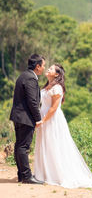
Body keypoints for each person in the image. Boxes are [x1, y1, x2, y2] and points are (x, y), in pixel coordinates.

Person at [34, 64, 92, 188]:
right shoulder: (46, 86)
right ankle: (44, 173)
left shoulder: (57, 88)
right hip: (44, 117)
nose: (48, 69)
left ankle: (56, 175)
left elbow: (53, 108)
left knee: (54, 145)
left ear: (57, 74)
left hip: (52, 119)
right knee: (44, 144)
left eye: (51, 69)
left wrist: (43, 120)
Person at [9, 54, 46, 184]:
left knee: (19, 145)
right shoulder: (31, 78)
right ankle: (26, 176)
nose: (44, 68)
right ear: (37, 66)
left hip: (19, 116)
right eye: (43, 65)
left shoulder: (24, 75)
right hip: (25, 117)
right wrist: (38, 118)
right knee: (23, 146)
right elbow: (32, 101)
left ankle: (21, 175)